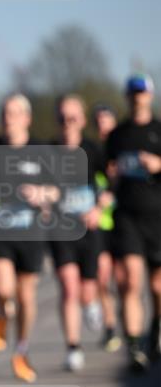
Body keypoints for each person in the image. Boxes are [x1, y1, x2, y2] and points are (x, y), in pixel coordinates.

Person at [0, 94, 58, 383]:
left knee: (26, 295)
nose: (10, 118)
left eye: (16, 112)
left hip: (31, 233)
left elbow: (58, 191)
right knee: (3, 288)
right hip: (0, 231)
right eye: (6, 112)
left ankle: (21, 349)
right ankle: (1, 312)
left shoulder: (43, 151)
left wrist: (42, 194)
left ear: (27, 118)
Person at [48, 95, 112, 371]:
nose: (67, 124)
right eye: (62, 118)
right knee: (68, 286)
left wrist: (98, 208)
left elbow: (112, 185)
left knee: (87, 290)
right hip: (61, 229)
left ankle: (93, 303)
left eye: (73, 118)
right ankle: (73, 347)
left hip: (88, 228)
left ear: (82, 120)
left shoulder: (93, 150)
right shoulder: (47, 152)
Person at [105, 75, 161, 372]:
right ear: (127, 97)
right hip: (127, 217)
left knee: (158, 286)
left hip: (157, 217)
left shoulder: (158, 131)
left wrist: (158, 165)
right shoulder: (117, 135)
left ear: (149, 96)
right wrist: (111, 181)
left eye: (141, 93)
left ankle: (156, 328)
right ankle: (135, 347)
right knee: (131, 281)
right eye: (132, 93)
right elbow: (107, 174)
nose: (137, 97)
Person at [92, 104, 121, 352]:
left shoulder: (124, 149)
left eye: (106, 119)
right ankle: (110, 326)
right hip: (102, 222)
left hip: (124, 221)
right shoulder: (94, 152)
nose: (103, 125)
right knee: (103, 276)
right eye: (99, 121)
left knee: (125, 279)